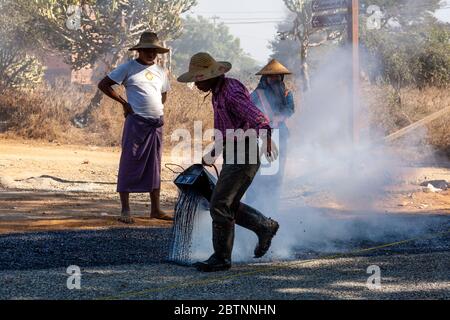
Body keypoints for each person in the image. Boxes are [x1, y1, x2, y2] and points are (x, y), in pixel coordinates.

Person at [177, 52, 280, 272]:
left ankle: (222, 258)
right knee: (227, 203)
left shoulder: (231, 91)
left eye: (199, 79)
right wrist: (214, 151)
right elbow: (227, 127)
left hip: (246, 151)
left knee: (219, 203)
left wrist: (268, 138)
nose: (196, 84)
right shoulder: (216, 92)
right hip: (235, 150)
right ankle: (264, 226)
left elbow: (257, 116)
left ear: (211, 75)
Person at [98, 31, 173, 224]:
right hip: (136, 122)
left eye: (154, 50)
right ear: (139, 50)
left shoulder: (161, 72)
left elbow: (163, 95)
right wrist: (124, 103)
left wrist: (157, 110)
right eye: (147, 50)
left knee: (154, 165)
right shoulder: (128, 68)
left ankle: (155, 209)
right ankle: (125, 210)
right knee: (129, 162)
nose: (151, 53)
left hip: (155, 124)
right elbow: (104, 84)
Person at [246, 59, 295, 214]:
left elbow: (290, 110)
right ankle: (254, 208)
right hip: (260, 137)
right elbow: (249, 112)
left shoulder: (287, 93)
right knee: (259, 173)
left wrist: (278, 119)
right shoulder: (256, 94)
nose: (274, 79)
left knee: (276, 173)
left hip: (280, 136)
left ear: (281, 78)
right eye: (271, 76)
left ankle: (272, 208)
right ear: (265, 78)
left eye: (277, 76)